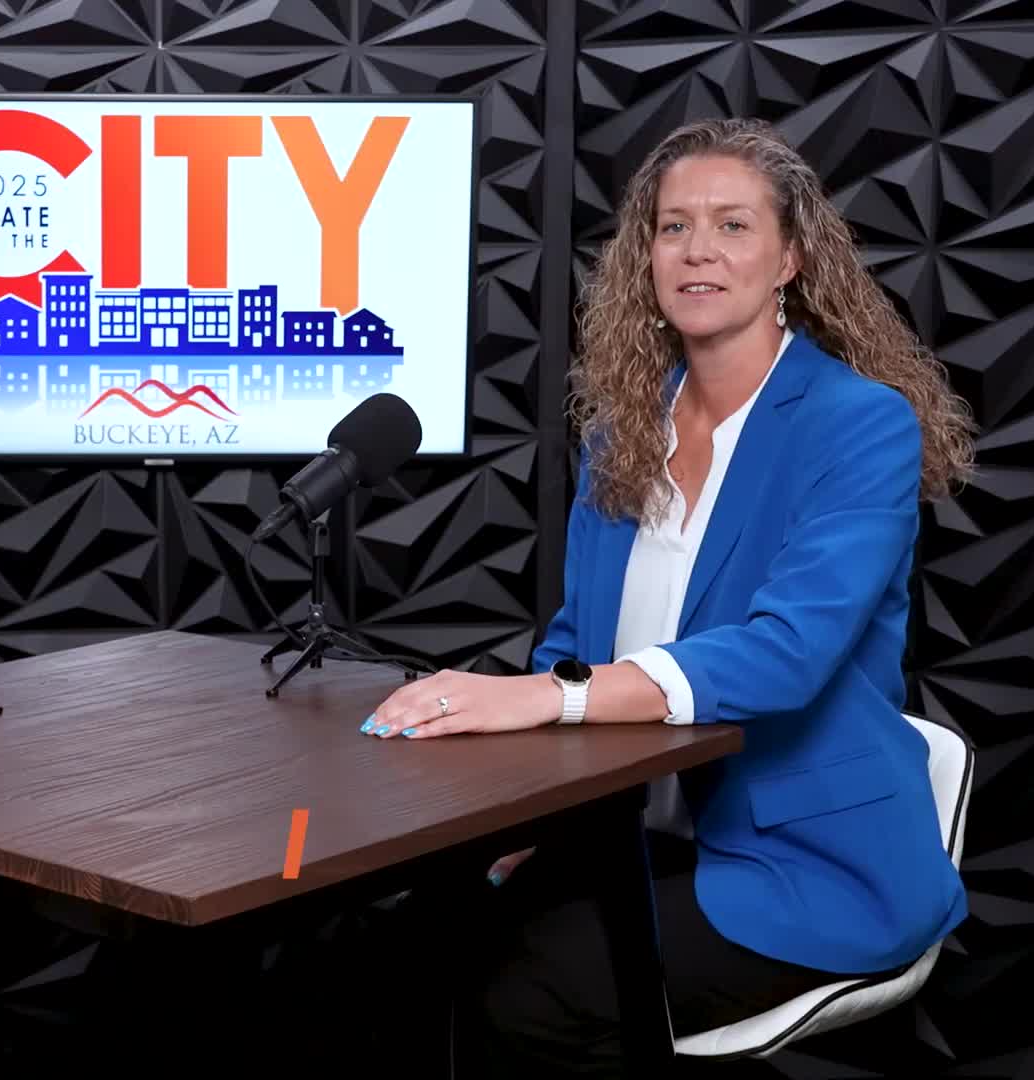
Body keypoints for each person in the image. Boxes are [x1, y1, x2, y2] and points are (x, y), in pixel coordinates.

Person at [361, 117, 977, 1075]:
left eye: (733, 225)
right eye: (673, 226)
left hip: (808, 862)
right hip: (629, 832)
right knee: (411, 940)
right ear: (645, 258)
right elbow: (577, 637)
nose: (697, 250)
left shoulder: (860, 426)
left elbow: (785, 654)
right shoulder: (624, 435)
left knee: (530, 991)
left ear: (790, 259)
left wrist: (547, 696)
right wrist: (528, 816)